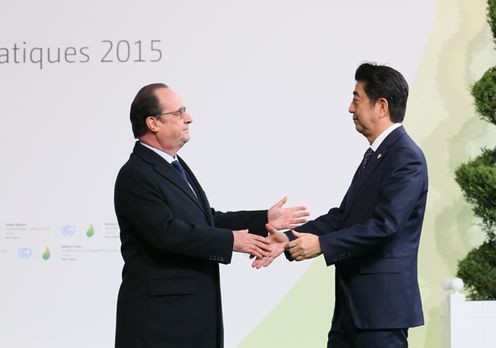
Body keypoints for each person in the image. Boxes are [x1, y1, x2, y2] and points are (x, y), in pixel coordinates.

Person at [114, 83, 308, 348]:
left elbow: (205, 220)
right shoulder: (136, 174)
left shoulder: (174, 165)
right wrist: (230, 241)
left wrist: (263, 220)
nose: (189, 118)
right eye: (179, 112)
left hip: (190, 320)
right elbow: (167, 233)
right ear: (153, 123)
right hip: (161, 324)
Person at [258, 63, 428, 347]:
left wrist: (322, 245)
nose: (350, 108)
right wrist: (286, 240)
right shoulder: (376, 155)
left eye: (356, 99)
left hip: (380, 313)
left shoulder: (405, 157)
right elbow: (343, 216)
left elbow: (385, 226)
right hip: (351, 309)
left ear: (381, 106)